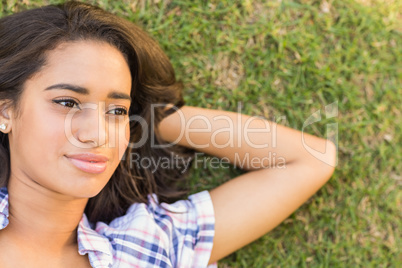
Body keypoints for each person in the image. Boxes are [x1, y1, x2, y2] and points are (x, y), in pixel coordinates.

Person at [0, 1, 336, 267]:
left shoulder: (150, 248)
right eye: (68, 102)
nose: (97, 134)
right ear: (6, 111)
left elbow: (310, 158)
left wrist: (148, 116)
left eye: (116, 110)